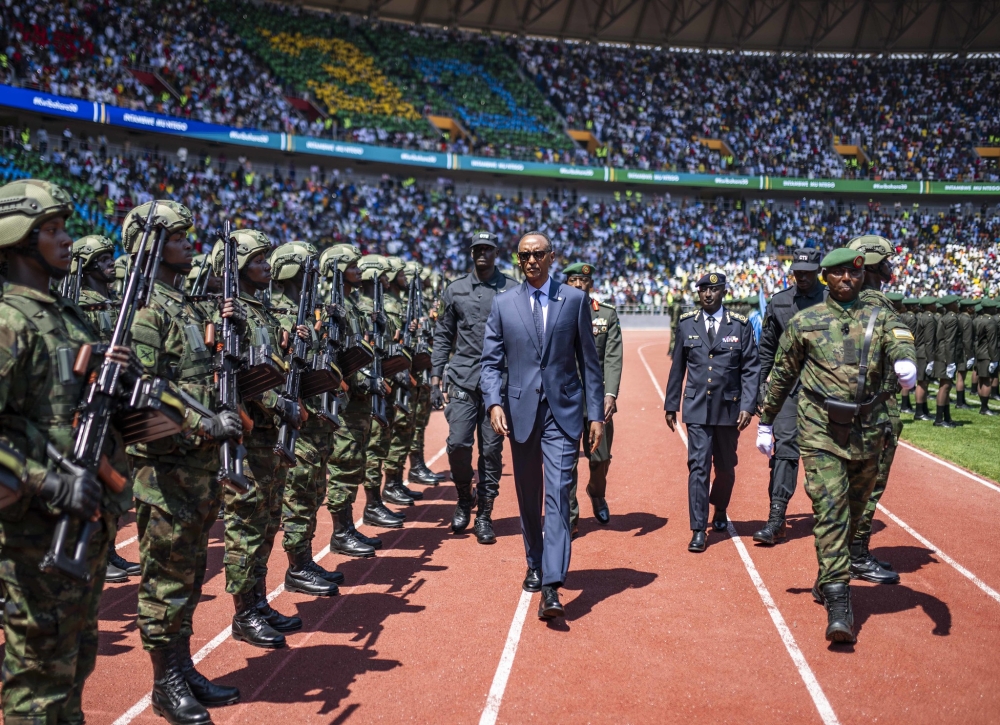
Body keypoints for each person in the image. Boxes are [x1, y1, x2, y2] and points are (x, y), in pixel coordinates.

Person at [0, 179, 132, 724]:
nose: (67, 241)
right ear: (19, 240)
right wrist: (46, 480)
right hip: (36, 532)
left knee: (73, 665)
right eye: (51, 231)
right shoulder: (9, 321)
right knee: (38, 679)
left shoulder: (63, 314)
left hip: (83, 518)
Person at [757, 248, 917, 645]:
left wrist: (905, 363)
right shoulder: (805, 322)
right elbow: (781, 373)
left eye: (855, 274)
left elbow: (901, 340)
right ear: (826, 277)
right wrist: (766, 421)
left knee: (855, 513)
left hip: (867, 431)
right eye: (840, 274)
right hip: (820, 430)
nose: (848, 279)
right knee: (830, 509)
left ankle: (827, 573)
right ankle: (839, 601)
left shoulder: (879, 316)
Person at [125, 201, 245, 722]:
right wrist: (205, 424)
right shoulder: (148, 309)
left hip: (196, 466)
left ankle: (183, 665)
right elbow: (149, 392)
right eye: (177, 236)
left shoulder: (184, 306)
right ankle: (163, 681)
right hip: (165, 468)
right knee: (164, 578)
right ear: (151, 246)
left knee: (192, 571)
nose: (187, 243)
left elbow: (200, 374)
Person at [481, 231, 604, 619]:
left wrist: (596, 413)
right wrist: (493, 403)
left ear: (552, 257)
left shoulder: (575, 300)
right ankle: (534, 561)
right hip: (519, 415)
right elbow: (490, 363)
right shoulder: (503, 304)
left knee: (559, 492)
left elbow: (590, 363)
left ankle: (552, 584)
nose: (531, 261)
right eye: (524, 256)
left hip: (564, 412)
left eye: (537, 254)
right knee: (528, 494)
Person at [219, 229, 302, 649]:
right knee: (244, 526)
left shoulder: (262, 312)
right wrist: (276, 399)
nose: (267, 266)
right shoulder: (232, 313)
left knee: (267, 522)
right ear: (237, 268)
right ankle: (242, 613)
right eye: (258, 260)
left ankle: (257, 600)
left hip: (269, 435)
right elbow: (236, 376)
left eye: (268, 260)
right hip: (248, 435)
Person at [664, 272, 759, 553]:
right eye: (704, 289)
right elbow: (677, 368)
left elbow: (751, 369)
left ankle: (719, 507)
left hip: (729, 408)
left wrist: (748, 405)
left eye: (714, 290)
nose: (708, 294)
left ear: (723, 293)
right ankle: (697, 528)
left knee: (727, 468)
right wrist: (671, 404)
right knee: (698, 467)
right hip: (696, 408)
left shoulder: (739, 326)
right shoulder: (686, 324)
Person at [431, 232, 516, 543]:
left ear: (496, 253)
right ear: (471, 253)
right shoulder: (455, 291)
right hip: (463, 379)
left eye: (488, 249)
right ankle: (465, 497)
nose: (482, 254)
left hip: (499, 385)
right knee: (457, 444)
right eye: (478, 249)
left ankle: (485, 514)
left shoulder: (512, 290)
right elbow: (442, 337)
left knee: (492, 451)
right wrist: (435, 377)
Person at [269, 242, 342, 598]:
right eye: (306, 270)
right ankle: (296, 567)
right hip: (298, 422)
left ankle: (304, 559)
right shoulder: (280, 315)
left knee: (313, 491)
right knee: (298, 495)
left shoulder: (307, 315)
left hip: (315, 421)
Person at [71, 234, 142, 583]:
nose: (110, 263)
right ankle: (91, 552)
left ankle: (109, 550)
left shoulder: (113, 300)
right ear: (87, 266)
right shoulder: (80, 304)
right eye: (102, 259)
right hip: (91, 402)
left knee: (114, 487)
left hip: (116, 403)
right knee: (94, 483)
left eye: (110, 257)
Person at [752, 248, 825, 546]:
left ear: (818, 270)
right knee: (784, 452)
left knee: (825, 454)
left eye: (808, 272)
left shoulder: (833, 300)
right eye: (798, 272)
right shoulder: (780, 302)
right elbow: (766, 348)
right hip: (788, 390)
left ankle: (831, 517)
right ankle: (776, 519)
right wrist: (759, 387)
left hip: (825, 392)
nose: (802, 277)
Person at [844, 235, 903, 583]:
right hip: (876, 408)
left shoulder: (846, 300)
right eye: (886, 260)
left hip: (851, 406)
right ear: (872, 265)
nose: (890, 267)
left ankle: (848, 552)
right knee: (870, 485)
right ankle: (857, 554)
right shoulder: (875, 302)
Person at [321, 244, 384, 558]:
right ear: (337, 269)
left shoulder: (351, 303)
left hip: (359, 396)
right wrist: (345, 382)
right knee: (344, 464)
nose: (359, 271)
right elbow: (327, 353)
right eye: (353, 266)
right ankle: (340, 532)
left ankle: (347, 528)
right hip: (344, 398)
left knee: (355, 462)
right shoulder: (330, 305)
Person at [562, 262, 622, 536]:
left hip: (596, 400)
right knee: (566, 461)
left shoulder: (605, 315)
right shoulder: (555, 311)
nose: (577, 285)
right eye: (572, 280)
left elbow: (612, 358)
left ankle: (596, 493)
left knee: (600, 458)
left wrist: (610, 393)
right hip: (564, 399)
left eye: (582, 281)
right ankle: (571, 518)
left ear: (590, 285)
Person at [356, 255, 409, 527]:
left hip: (383, 382)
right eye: (385, 274)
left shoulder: (377, 307)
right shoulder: (360, 308)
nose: (389, 279)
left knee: (381, 443)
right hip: (368, 387)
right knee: (374, 447)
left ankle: (376, 501)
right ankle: (372, 504)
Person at [932, 295, 962, 428]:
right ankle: (939, 419)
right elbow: (949, 341)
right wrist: (950, 361)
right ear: (951, 305)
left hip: (942, 353)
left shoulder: (945, 317)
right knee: (944, 387)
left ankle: (946, 417)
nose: (958, 305)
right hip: (946, 355)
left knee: (946, 386)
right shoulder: (952, 318)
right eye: (956, 303)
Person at [913, 298, 938, 420]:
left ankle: (924, 409)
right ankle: (919, 412)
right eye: (933, 304)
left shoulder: (923, 316)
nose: (935, 306)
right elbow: (929, 341)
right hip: (924, 353)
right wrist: (931, 359)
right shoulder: (928, 318)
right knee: (922, 383)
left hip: (921, 352)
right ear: (929, 306)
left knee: (924, 382)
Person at [974, 299, 999, 415]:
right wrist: (994, 359)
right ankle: (984, 407)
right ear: (989, 309)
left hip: (978, 352)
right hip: (987, 354)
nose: (995, 309)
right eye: (993, 308)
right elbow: (992, 343)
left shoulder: (977, 319)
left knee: (981, 379)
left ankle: (983, 406)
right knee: (987, 381)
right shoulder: (991, 322)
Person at [898, 298, 919, 413]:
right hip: (908, 347)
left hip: (900, 346)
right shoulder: (911, 318)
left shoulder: (901, 316)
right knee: (905, 379)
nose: (918, 307)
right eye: (916, 305)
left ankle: (905, 404)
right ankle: (905, 405)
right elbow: (912, 335)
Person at [956, 298, 977, 409]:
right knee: (961, 377)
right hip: (964, 350)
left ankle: (961, 400)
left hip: (958, 349)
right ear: (968, 309)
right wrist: (970, 356)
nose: (974, 309)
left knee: (960, 376)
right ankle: (960, 402)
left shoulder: (959, 317)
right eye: (972, 307)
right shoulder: (967, 319)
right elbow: (967, 339)